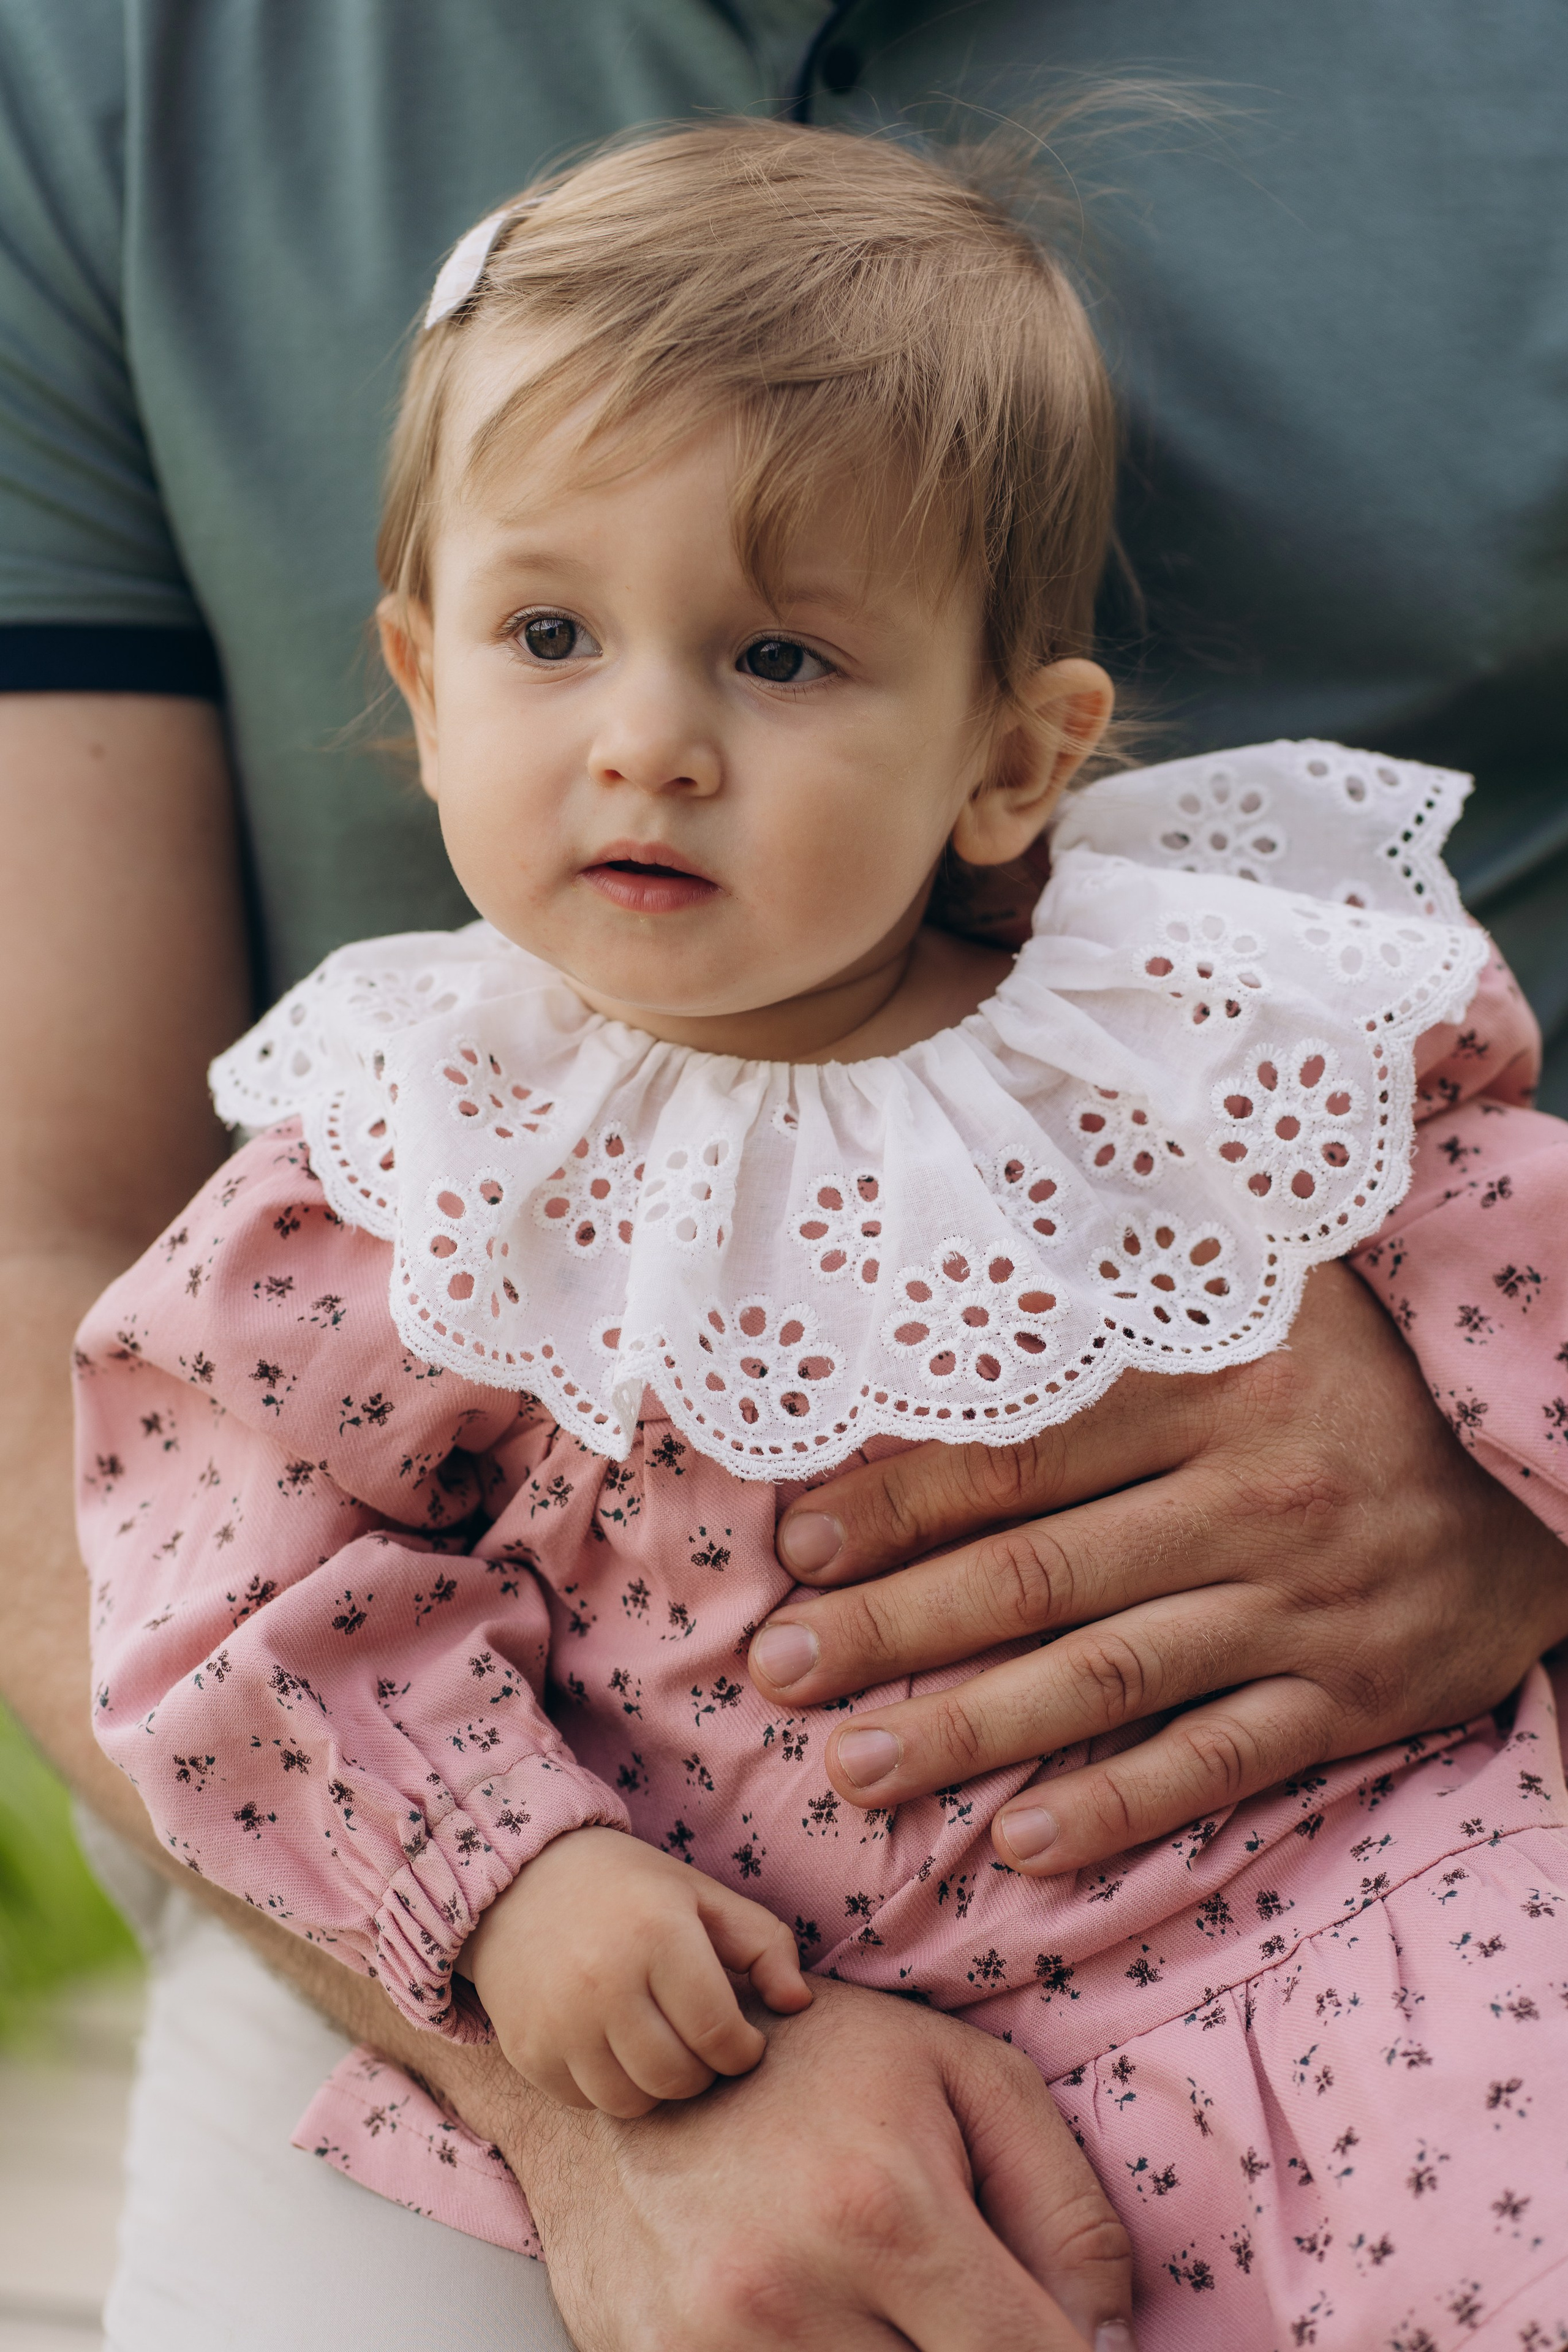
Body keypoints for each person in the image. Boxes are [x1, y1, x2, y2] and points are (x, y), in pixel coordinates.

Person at [2, 7, 1566, 2348]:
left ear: (1015, 761)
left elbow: (1512, 1271)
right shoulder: (394, 1169)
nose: (647, 737)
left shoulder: (1212, 1022)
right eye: (549, 638)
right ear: (421, 686)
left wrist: (1510, 1533)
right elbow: (235, 1583)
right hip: (662, 1962)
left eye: (780, 654)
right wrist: (511, 1907)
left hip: (1331, 1903)